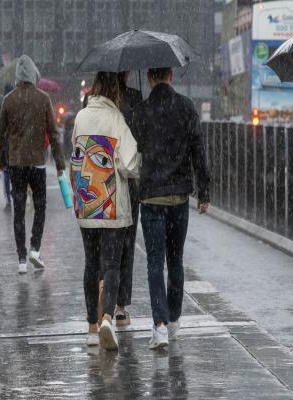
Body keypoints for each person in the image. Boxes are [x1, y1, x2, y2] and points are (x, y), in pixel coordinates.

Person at [131, 67, 210, 350]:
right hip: (178, 197)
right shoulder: (186, 107)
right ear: (171, 76)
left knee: (154, 261)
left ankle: (160, 326)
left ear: (150, 77)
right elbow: (198, 150)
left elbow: (135, 149)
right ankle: (174, 318)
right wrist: (204, 191)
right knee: (175, 260)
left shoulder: (141, 111)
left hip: (151, 197)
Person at [70, 71, 140, 350]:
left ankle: (90, 326)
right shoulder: (116, 119)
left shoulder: (80, 117)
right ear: (116, 92)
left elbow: (75, 154)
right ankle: (107, 317)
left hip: (88, 202)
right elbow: (129, 165)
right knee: (112, 264)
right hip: (112, 205)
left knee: (91, 263)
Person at [0, 55, 65, 274]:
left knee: (18, 210)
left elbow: (1, 135)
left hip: (16, 163)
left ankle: (21, 259)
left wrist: (1, 161)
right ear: (33, 74)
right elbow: (53, 134)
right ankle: (35, 247)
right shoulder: (43, 99)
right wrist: (60, 162)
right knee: (40, 206)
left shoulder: (9, 100)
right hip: (37, 162)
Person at [113, 71, 142, 326]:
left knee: (103, 243)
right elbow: (139, 140)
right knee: (127, 243)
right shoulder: (135, 98)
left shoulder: (95, 100)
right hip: (130, 179)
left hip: (103, 180)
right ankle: (120, 305)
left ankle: (103, 300)